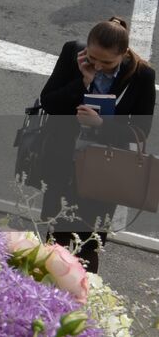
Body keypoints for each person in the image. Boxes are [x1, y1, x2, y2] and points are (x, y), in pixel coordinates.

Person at [37, 16, 155, 272]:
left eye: (107, 62)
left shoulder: (142, 75)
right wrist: (82, 81)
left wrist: (101, 124)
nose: (98, 66)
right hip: (65, 160)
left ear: (123, 55)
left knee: (89, 243)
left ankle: (82, 296)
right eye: (92, 59)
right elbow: (49, 102)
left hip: (105, 168)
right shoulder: (72, 53)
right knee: (56, 235)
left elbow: (140, 130)